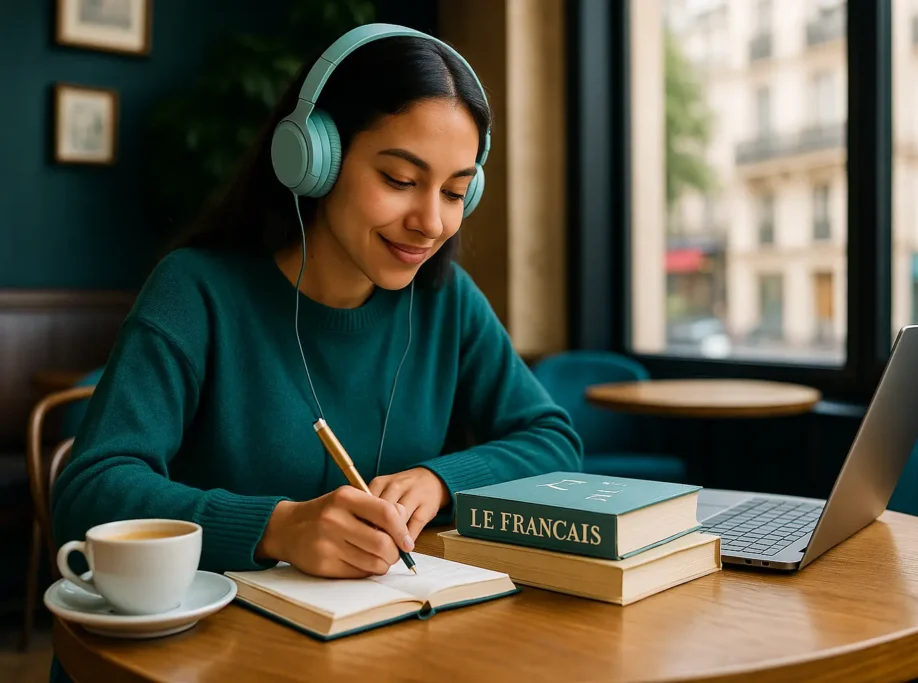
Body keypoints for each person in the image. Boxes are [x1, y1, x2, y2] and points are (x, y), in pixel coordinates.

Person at [50, 24, 583, 592]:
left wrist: (440, 480)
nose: (431, 223)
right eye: (400, 179)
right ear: (313, 158)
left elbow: (555, 442)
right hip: (217, 634)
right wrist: (276, 528)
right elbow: (88, 493)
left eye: (455, 192)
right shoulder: (196, 290)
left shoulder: (446, 299)